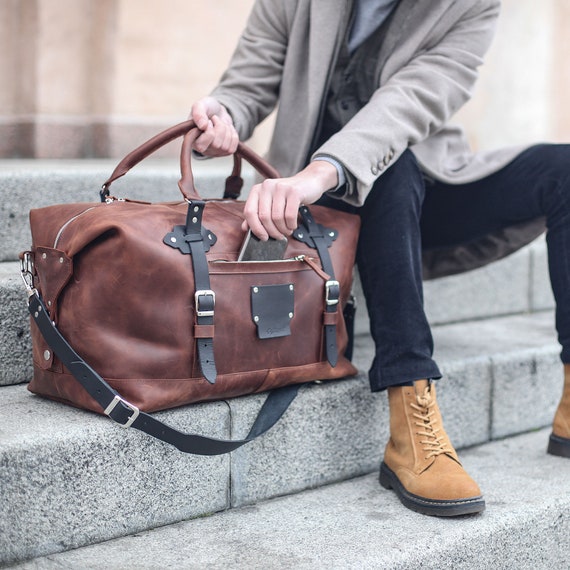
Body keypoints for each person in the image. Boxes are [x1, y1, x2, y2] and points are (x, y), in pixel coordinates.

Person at [189, 0, 570, 517]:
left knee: (558, 170)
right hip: (308, 205)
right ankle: (409, 406)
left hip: (408, 186)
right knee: (388, 171)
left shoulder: (471, 4)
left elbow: (410, 103)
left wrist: (325, 169)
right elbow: (249, 78)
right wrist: (224, 114)